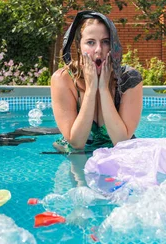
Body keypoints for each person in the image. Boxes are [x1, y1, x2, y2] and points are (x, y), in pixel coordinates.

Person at [51, 10, 143, 153]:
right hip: (75, 159)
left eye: (106, 42)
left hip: (120, 157)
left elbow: (121, 142)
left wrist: (104, 89)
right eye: (90, 42)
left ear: (113, 46)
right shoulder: (63, 79)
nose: (98, 50)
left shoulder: (129, 79)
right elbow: (76, 143)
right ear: (79, 46)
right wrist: (91, 88)